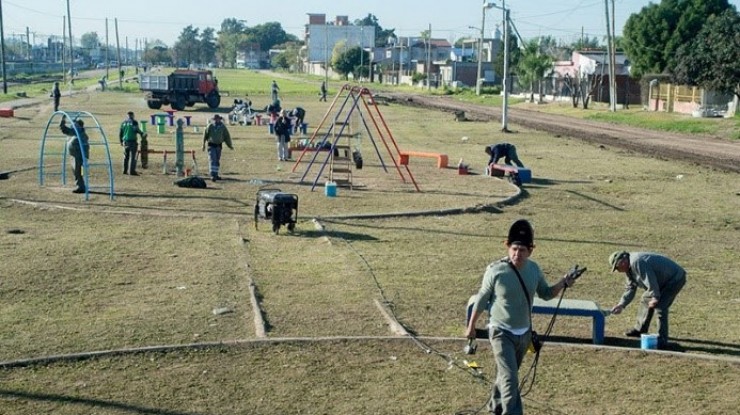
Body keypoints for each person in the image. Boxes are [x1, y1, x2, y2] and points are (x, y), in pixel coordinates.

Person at [465, 219, 576, 415]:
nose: (517, 253)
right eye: (514, 248)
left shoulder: (534, 269)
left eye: (522, 250)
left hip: (523, 334)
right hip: (500, 331)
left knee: (507, 375)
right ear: (507, 247)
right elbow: (481, 299)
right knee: (510, 378)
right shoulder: (495, 270)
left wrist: (563, 283)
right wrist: (471, 325)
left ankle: (495, 407)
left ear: (531, 251)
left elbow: (546, 293)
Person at [608, 251, 686, 350]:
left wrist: (655, 297)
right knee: (645, 299)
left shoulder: (637, 262)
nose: (618, 270)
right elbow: (630, 288)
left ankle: (662, 339)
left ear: (622, 261)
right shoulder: (629, 269)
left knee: (660, 307)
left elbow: (650, 280)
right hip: (660, 282)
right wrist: (621, 305)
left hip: (674, 278)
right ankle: (640, 329)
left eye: (617, 267)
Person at [59, 118, 90, 194]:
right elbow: (65, 130)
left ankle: (81, 187)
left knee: (79, 171)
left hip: (79, 157)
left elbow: (65, 130)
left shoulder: (80, 134)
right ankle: (81, 185)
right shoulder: (76, 133)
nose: (73, 126)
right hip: (75, 156)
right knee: (77, 172)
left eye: (75, 124)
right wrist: (62, 122)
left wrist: (62, 123)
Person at [202, 114, 233, 181]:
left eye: (217, 119)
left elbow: (226, 136)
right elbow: (205, 135)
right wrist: (203, 145)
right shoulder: (210, 126)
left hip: (218, 146)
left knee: (217, 161)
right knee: (212, 160)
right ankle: (212, 175)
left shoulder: (222, 127)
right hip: (211, 146)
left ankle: (216, 174)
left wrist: (229, 145)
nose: (216, 120)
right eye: (215, 119)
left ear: (219, 119)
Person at [119, 111, 147, 175]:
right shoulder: (134, 122)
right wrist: (142, 133)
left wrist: (121, 141)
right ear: (132, 115)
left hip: (125, 142)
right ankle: (132, 171)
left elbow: (120, 133)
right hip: (132, 142)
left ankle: (125, 171)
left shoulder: (123, 123)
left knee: (126, 157)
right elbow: (136, 130)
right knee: (133, 157)